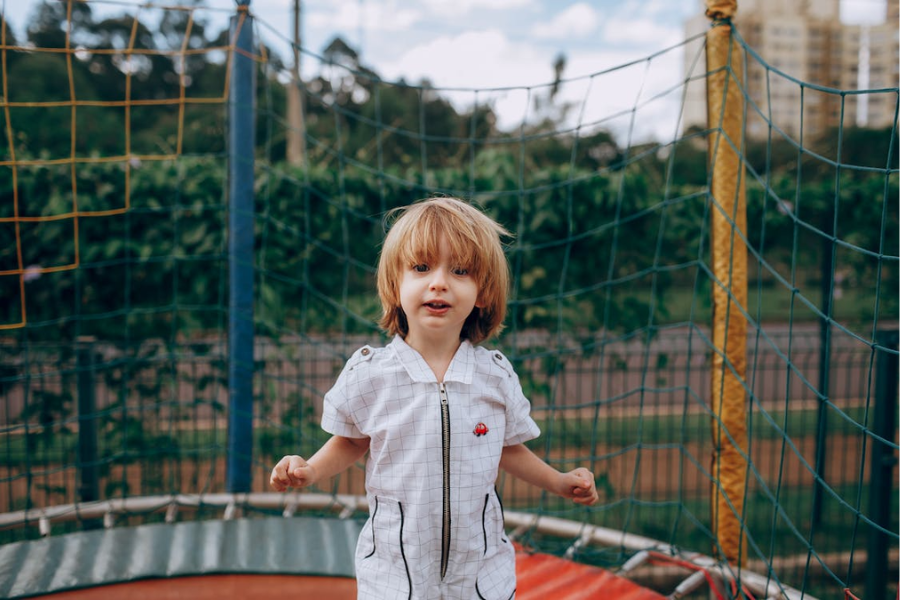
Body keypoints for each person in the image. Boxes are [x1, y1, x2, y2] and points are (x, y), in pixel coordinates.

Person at [270, 197, 599, 599]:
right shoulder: (371, 374)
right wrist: (310, 469)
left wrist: (559, 482)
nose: (439, 282)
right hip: (397, 570)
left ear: (482, 293)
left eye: (459, 271)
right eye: (422, 267)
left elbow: (507, 448)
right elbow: (352, 441)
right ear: (396, 284)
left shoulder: (494, 376)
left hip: (478, 571)